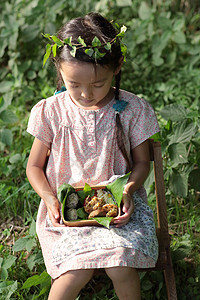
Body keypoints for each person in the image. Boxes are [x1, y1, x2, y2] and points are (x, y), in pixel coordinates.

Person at [26, 12, 160, 300]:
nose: (86, 94)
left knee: (120, 265)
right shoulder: (51, 111)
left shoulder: (133, 109)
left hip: (121, 213)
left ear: (117, 66)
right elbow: (34, 167)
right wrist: (50, 200)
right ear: (59, 70)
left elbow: (141, 163)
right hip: (67, 215)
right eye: (74, 84)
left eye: (98, 84)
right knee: (75, 272)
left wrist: (128, 189)